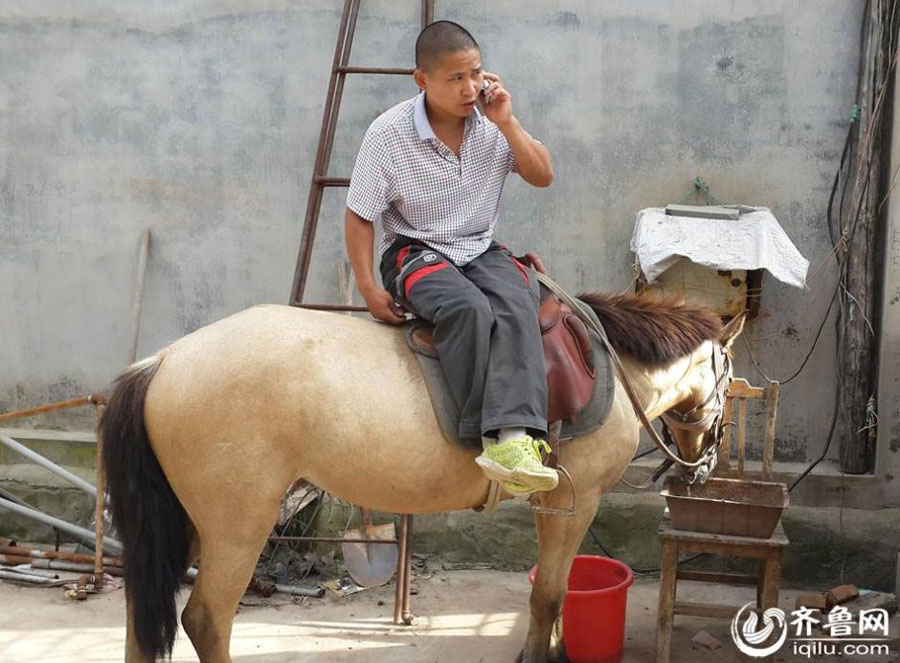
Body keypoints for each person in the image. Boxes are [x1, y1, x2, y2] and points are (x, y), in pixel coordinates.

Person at [344, 20, 557, 495]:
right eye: (455, 78)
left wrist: (507, 121)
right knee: (467, 308)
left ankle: (518, 439)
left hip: (478, 246)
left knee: (520, 297)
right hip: (413, 252)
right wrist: (368, 287)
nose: (470, 87)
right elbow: (359, 216)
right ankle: (484, 432)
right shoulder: (389, 134)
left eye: (476, 73)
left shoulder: (492, 121)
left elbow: (542, 175)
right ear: (422, 80)